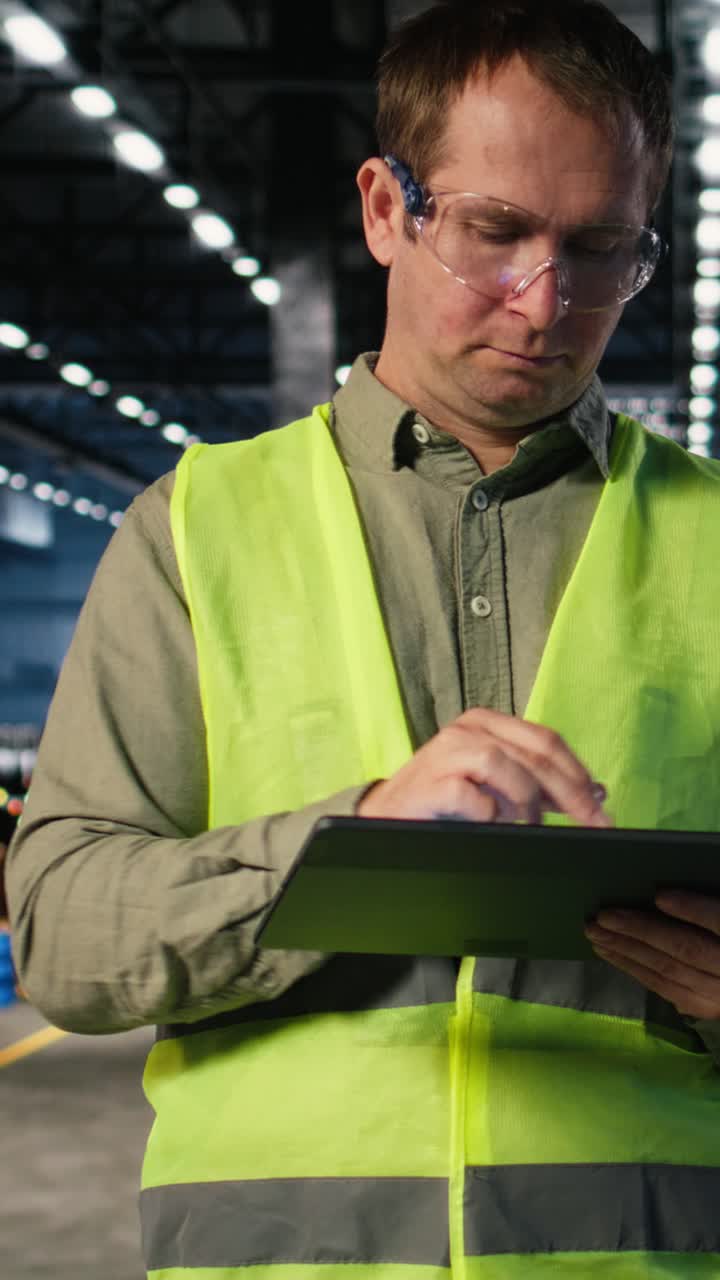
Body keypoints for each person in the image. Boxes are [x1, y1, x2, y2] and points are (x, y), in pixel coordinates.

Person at [7, 0, 720, 1274]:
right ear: (387, 209)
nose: (546, 299)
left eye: (601, 250)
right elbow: (62, 927)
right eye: (496, 233)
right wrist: (349, 844)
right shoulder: (195, 529)